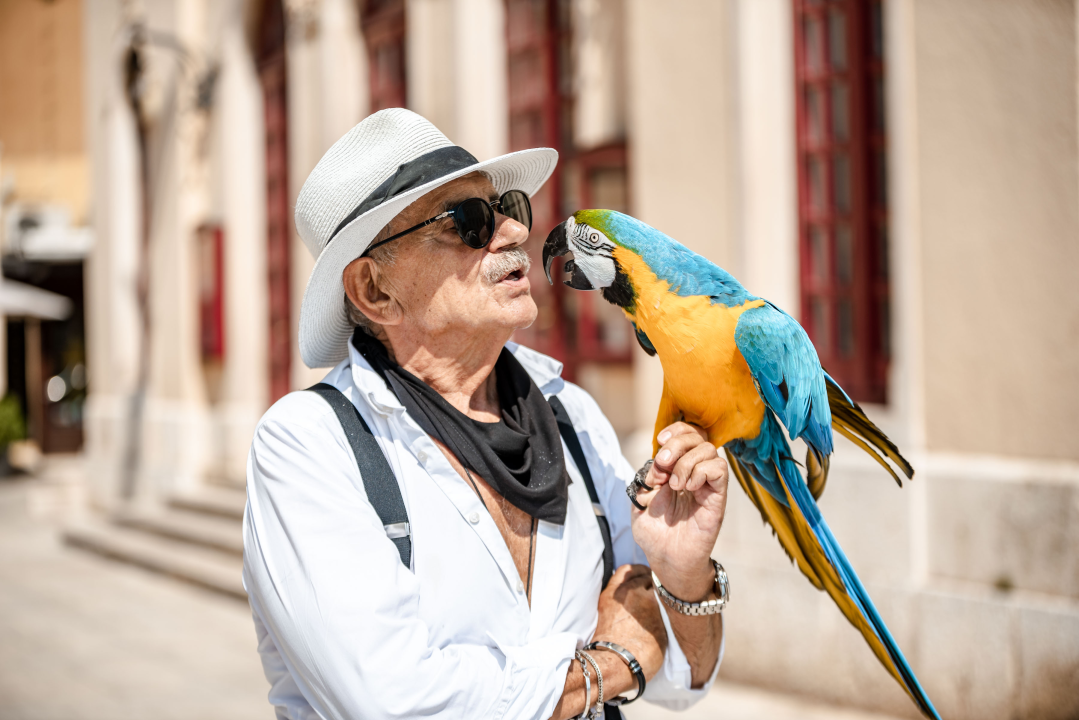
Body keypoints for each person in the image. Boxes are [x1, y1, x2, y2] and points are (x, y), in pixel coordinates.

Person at [243, 108, 730, 720]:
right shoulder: (311, 444)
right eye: (468, 221)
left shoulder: (571, 416)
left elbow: (684, 681)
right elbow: (394, 704)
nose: (513, 232)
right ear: (374, 291)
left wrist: (684, 578)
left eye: (509, 208)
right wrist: (608, 666)